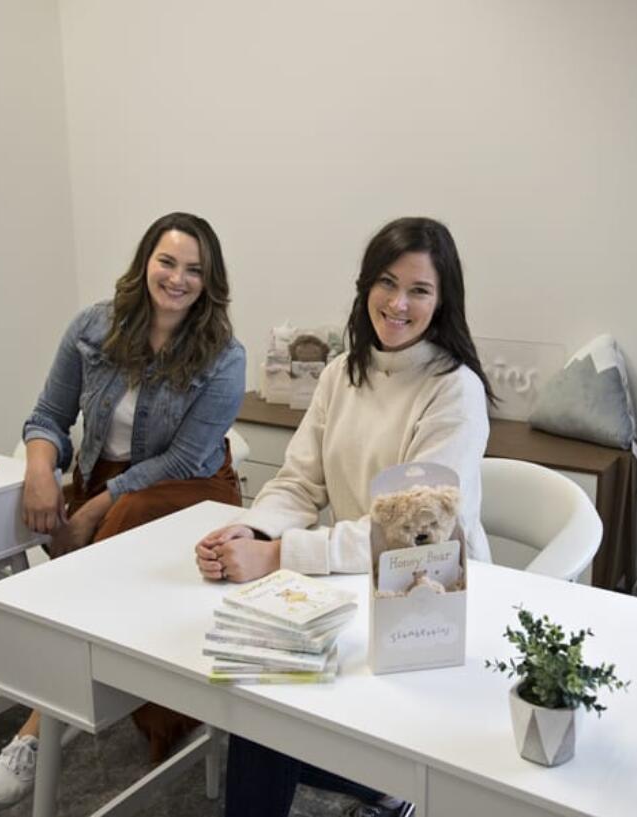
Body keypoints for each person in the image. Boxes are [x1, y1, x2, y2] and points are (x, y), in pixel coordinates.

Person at [195, 216, 493, 817]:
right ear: (365, 287)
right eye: (386, 283)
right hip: (345, 585)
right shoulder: (341, 372)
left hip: (426, 597)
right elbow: (300, 480)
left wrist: (279, 555)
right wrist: (253, 530)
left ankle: (395, 778)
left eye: (419, 290)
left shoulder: (454, 390)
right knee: (264, 706)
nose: (399, 303)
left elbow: (412, 535)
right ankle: (387, 783)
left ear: (443, 300)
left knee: (270, 720)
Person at [0, 212, 246, 812]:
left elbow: (183, 458)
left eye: (194, 270)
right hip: (105, 483)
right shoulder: (94, 325)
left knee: (112, 535)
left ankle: (36, 731)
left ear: (209, 282)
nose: (177, 279)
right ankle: (54, 674)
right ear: (146, 260)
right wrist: (41, 471)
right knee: (33, 521)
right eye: (167, 262)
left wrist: (93, 509)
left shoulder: (224, 355)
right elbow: (48, 414)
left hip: (193, 489)